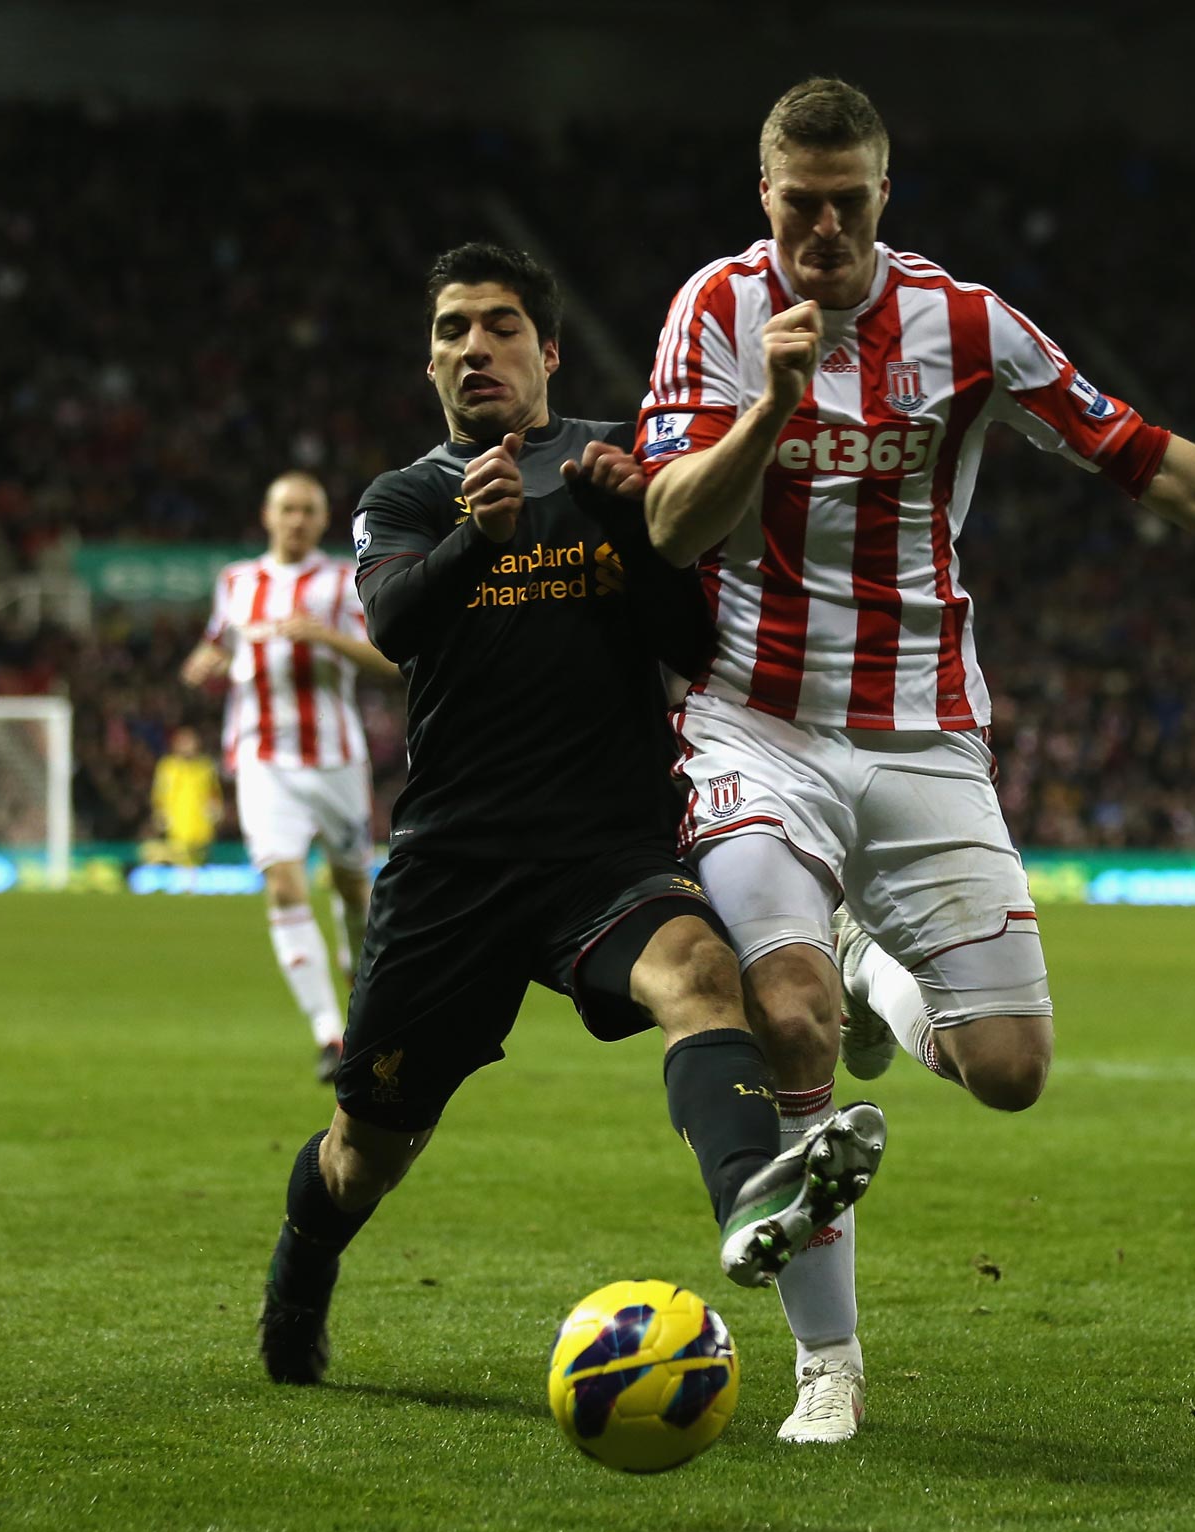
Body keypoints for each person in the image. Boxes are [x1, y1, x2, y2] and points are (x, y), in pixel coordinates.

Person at [635, 77, 1195, 1442]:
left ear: (886, 198)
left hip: (924, 732)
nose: (823, 228)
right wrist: (770, 409)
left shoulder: (966, 325)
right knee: (783, 1020)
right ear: (762, 194)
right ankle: (828, 1367)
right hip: (750, 727)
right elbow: (666, 526)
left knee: (1008, 1067)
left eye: (849, 202)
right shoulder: (713, 313)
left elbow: (1142, 457)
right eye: (800, 203)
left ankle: (869, 968)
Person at [255, 241, 887, 1388]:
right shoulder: (405, 496)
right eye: (451, 330)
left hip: (604, 846)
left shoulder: (624, 461)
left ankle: (755, 1189)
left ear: (545, 350)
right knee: (367, 1153)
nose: (473, 348)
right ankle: (300, 1276)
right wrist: (471, 542)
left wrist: (637, 533)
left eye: (497, 326)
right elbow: (394, 623)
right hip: (452, 870)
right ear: (431, 363)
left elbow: (690, 642)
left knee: (699, 974)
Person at [180, 472, 399, 1082]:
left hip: (336, 759)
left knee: (354, 890)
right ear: (267, 515)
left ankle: (357, 1004)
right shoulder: (236, 582)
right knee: (282, 884)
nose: (296, 519)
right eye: (287, 509)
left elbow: (390, 660)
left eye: (308, 510)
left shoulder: (341, 581)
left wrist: (324, 636)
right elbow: (217, 646)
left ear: (321, 519)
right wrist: (205, 663)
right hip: (261, 757)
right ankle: (330, 1034)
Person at [149, 725, 224, 866]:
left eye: (190, 741)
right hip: (178, 824)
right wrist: (160, 813)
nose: (188, 745)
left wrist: (215, 809)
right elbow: (159, 793)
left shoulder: (205, 766)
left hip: (202, 825)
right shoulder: (168, 767)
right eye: (184, 742)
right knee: (180, 859)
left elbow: (214, 792)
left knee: (201, 860)